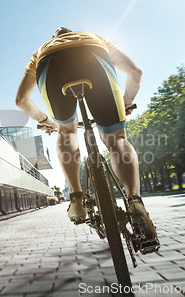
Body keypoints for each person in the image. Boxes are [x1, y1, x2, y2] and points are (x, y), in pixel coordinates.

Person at [15, 27, 158, 246]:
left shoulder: (41, 50)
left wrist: (46, 121)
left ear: (55, 38)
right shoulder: (95, 37)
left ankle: (77, 199)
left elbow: (21, 100)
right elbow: (136, 71)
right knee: (117, 139)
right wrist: (127, 101)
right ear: (73, 32)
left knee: (67, 132)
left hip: (50, 64)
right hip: (94, 55)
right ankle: (135, 200)